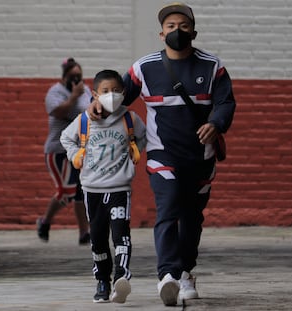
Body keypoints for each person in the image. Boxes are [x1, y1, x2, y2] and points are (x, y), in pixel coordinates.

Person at [87, 2, 236, 306]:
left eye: (183, 26)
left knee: (193, 218)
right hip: (161, 154)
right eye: (171, 27)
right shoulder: (144, 67)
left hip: (201, 157)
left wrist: (215, 123)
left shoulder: (212, 67)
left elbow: (226, 103)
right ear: (160, 33)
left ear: (193, 31)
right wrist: (97, 108)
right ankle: (167, 275)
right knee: (167, 210)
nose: (177, 31)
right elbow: (116, 99)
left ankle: (185, 272)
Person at [60, 69, 146, 303]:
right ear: (95, 95)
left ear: (124, 92)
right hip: (92, 189)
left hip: (119, 187)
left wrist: (136, 149)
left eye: (117, 91)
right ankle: (102, 281)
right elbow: (65, 138)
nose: (112, 95)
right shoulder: (85, 119)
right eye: (106, 91)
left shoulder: (130, 118)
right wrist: (75, 153)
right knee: (98, 239)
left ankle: (121, 277)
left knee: (121, 234)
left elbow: (143, 136)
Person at [37, 58, 90, 244]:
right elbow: (58, 112)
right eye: (72, 76)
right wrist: (74, 96)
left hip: (78, 150)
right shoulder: (55, 92)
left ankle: (84, 233)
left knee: (80, 191)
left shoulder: (86, 90)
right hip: (58, 150)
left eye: (79, 76)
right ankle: (44, 221)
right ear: (64, 76)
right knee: (66, 192)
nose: (76, 79)